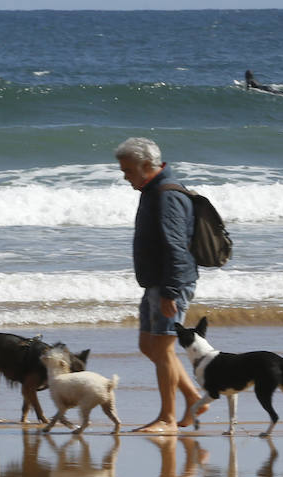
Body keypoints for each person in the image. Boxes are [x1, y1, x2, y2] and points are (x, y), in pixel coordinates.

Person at [114, 137, 203, 435]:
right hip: (155, 283)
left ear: (148, 166)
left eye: (128, 170)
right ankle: (193, 397)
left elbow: (176, 247)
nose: (125, 175)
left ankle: (167, 418)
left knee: (163, 348)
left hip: (170, 284)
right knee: (148, 344)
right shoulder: (152, 190)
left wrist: (170, 292)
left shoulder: (166, 195)